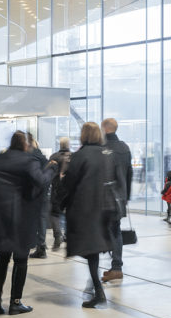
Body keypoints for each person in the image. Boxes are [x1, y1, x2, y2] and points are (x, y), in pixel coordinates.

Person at [0, 131, 47, 316]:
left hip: (1, 217)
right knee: (21, 260)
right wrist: (52, 168)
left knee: (2, 258)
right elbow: (41, 181)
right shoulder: (29, 161)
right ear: (26, 145)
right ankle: (15, 303)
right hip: (23, 218)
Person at [60, 122, 114, 308]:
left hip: (85, 209)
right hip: (104, 208)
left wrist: (60, 202)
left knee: (89, 249)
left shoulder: (80, 155)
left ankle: (98, 292)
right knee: (94, 250)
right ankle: (98, 291)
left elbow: (69, 183)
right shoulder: (106, 154)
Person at [100, 118, 132, 282]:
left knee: (105, 230)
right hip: (119, 197)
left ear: (105, 129)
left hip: (104, 197)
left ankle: (116, 266)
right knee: (115, 230)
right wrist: (127, 196)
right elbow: (129, 174)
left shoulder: (102, 148)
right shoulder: (124, 148)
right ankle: (116, 266)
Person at [27, 131, 50, 259]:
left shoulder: (30, 158)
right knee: (41, 220)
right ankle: (41, 246)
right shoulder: (43, 157)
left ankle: (32, 244)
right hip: (43, 193)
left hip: (32, 194)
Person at [46, 137, 72, 250]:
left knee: (55, 214)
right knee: (69, 214)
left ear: (60, 145)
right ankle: (68, 236)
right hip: (70, 191)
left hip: (56, 191)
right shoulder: (74, 157)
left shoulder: (54, 157)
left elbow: (48, 171)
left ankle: (57, 237)